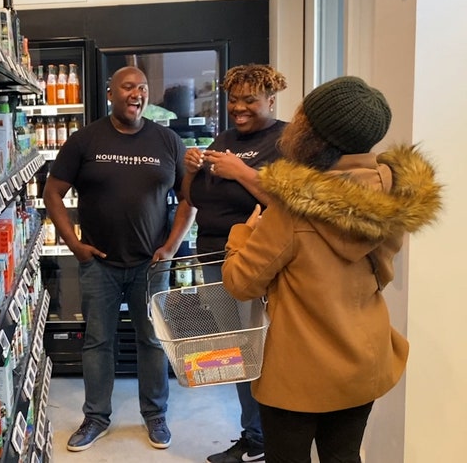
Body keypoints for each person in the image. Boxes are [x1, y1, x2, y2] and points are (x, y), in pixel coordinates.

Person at [221, 76, 442, 462]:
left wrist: (243, 232)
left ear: (315, 134)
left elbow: (240, 283)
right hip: (363, 362)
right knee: (344, 456)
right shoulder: (394, 194)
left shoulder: (291, 207)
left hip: (296, 373)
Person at [43, 66, 190, 451]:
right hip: (99, 264)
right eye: (128, 87)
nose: (136, 93)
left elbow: (190, 197)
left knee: (153, 342)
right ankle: (96, 418)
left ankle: (155, 415)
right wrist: (74, 245)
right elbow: (53, 192)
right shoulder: (84, 140)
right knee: (97, 342)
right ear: (111, 92)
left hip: (151, 264)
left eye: (142, 87)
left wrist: (172, 246)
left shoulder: (167, 140)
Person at [162, 63, 289, 463]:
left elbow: (288, 204)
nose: (239, 107)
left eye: (250, 100)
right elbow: (194, 198)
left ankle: (274, 440)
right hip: (215, 259)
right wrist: (190, 171)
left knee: (267, 353)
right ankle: (254, 438)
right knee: (238, 352)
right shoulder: (225, 137)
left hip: (258, 261)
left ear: (271, 99)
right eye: (234, 100)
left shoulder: (286, 140)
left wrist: (242, 171)